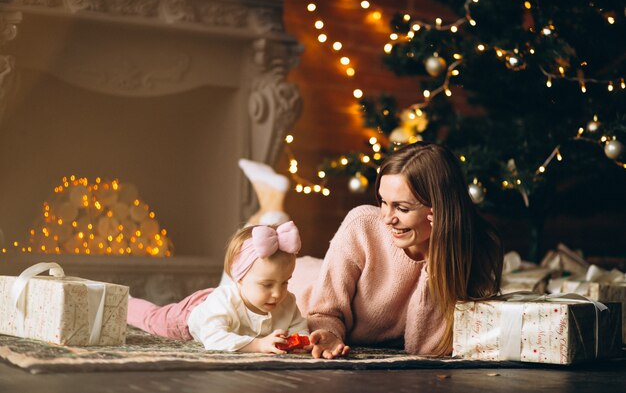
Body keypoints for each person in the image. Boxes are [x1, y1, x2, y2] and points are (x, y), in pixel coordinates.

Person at [299, 142, 503, 359]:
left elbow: (426, 349)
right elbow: (323, 311)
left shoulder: (475, 249)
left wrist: (436, 256)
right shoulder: (362, 225)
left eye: (402, 208)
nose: (387, 218)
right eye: (383, 202)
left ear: (441, 209)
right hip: (296, 289)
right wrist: (328, 333)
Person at [127, 221, 310, 353]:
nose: (278, 293)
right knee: (153, 319)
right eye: (266, 284)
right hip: (190, 315)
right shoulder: (224, 302)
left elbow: (299, 329)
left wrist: (306, 342)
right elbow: (213, 338)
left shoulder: (287, 302)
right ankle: (126, 303)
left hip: (216, 306)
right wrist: (258, 345)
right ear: (239, 278)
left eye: (285, 282)